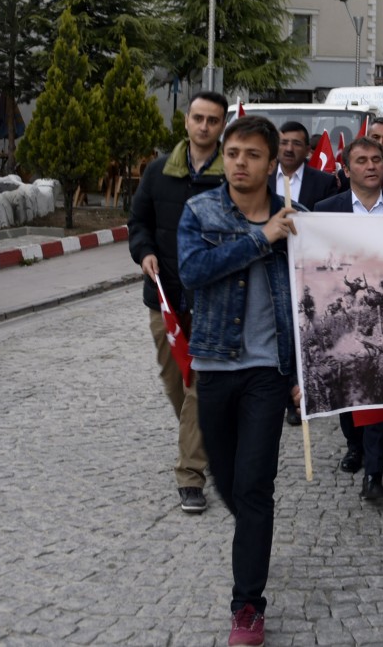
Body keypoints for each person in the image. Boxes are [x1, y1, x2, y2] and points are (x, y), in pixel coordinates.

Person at [177, 115, 301, 646]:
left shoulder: (298, 222)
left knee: (253, 488)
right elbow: (193, 272)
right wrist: (259, 239)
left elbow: (314, 301)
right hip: (213, 364)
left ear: (273, 163)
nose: (239, 164)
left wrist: (303, 371)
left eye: (252, 154)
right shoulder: (199, 211)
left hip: (266, 375)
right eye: (232, 153)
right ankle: (252, 534)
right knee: (227, 483)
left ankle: (247, 605)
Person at [128, 90, 228, 514]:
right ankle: (201, 434)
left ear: (222, 125)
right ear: (186, 121)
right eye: (198, 118)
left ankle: (191, 475)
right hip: (165, 299)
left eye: (213, 120)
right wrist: (143, 251)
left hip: (212, 301)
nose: (204, 126)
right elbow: (138, 222)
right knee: (175, 382)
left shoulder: (232, 175)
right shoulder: (156, 172)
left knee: (199, 387)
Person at [314, 137, 383, 502]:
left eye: (377, 159)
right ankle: (353, 445)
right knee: (348, 383)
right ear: (346, 168)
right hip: (345, 316)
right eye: (362, 160)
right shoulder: (325, 210)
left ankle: (375, 472)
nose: (371, 165)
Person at [274, 121, 338, 210]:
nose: (289, 149)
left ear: (307, 150)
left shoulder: (325, 182)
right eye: (284, 143)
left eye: (296, 143)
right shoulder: (262, 178)